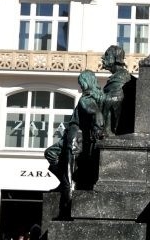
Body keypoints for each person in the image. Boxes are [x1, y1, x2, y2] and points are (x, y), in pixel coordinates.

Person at [44, 69, 104, 215]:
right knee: (51, 153)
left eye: (81, 83)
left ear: (86, 81)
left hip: (74, 137)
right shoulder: (94, 96)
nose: (80, 86)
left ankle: (67, 192)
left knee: (66, 167)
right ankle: (64, 182)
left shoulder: (87, 98)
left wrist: (98, 126)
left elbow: (95, 112)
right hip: (70, 135)